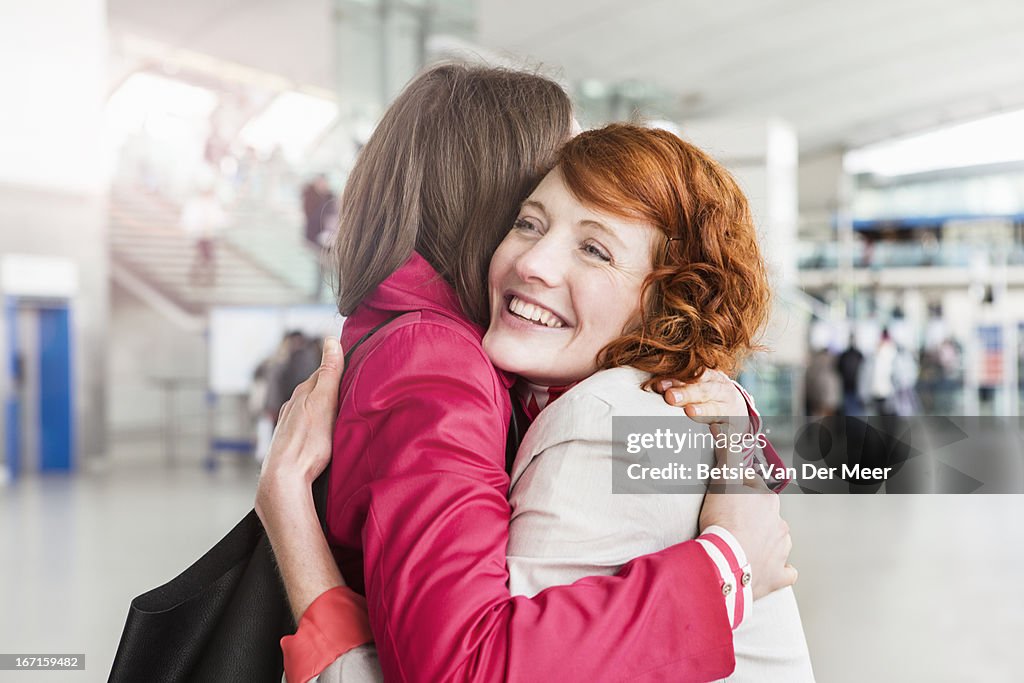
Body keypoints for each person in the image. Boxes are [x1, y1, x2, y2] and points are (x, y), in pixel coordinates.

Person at [257, 66, 796, 683]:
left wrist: (733, 427)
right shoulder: (438, 360)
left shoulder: (464, 349)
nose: (538, 259)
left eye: (593, 244)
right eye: (530, 216)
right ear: (493, 202)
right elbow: (466, 665)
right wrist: (726, 570)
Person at [837, 334, 865, 416]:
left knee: (848, 410)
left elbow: (839, 369)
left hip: (847, 387)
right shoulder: (859, 355)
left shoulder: (844, 355)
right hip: (856, 387)